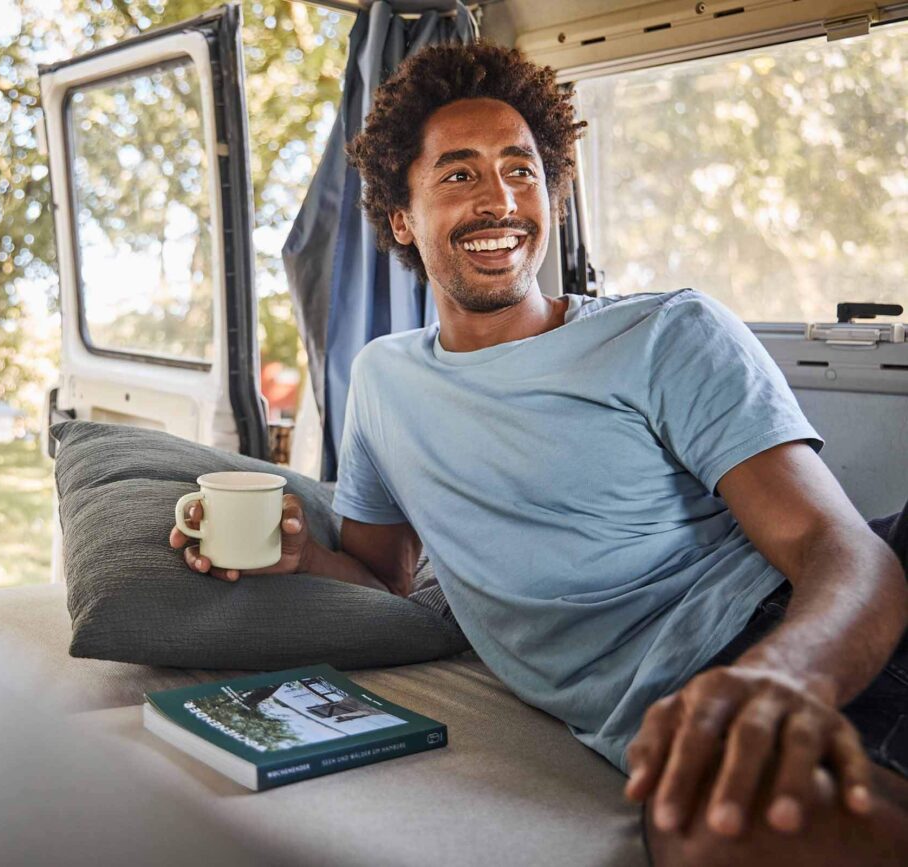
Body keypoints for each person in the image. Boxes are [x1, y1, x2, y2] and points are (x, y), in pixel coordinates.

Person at [170, 42, 908, 865]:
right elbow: (388, 580)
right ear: (402, 218)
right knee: (731, 832)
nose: (499, 200)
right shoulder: (381, 381)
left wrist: (784, 676)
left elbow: (841, 548)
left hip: (806, 624)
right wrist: (300, 556)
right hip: (690, 699)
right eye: (459, 173)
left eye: (521, 170)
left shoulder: (667, 332)